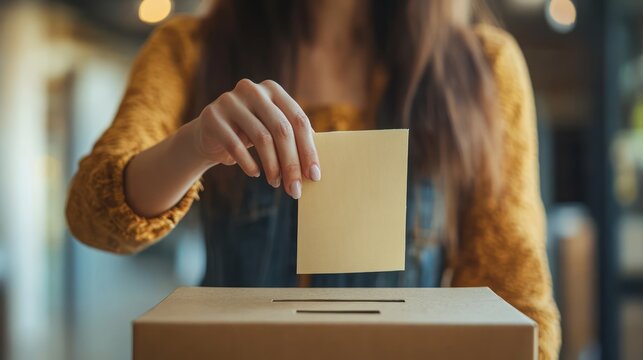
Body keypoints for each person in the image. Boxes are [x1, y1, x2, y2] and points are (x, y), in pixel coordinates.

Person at [65, 0, 560, 358]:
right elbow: (93, 216)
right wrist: (192, 147)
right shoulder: (190, 47)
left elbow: (514, 291)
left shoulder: (481, 64)